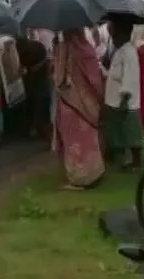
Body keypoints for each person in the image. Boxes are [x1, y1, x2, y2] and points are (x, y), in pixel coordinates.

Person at [52, 28, 105, 189]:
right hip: (88, 104)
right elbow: (95, 80)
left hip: (69, 104)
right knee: (88, 139)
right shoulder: (87, 49)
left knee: (73, 140)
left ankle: (79, 178)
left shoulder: (64, 49)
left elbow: (58, 79)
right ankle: (94, 173)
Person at [105, 18, 144, 170]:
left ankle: (136, 161)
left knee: (131, 131)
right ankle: (119, 157)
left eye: (113, 34)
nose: (112, 38)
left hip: (125, 100)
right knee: (119, 130)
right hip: (115, 99)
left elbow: (130, 77)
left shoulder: (128, 52)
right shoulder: (119, 51)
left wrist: (125, 98)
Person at [17, 34, 50, 138]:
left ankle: (36, 128)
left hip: (36, 77)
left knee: (35, 102)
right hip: (37, 77)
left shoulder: (31, 48)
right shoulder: (36, 46)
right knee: (38, 102)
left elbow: (45, 59)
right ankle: (38, 128)